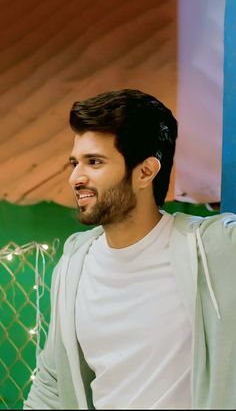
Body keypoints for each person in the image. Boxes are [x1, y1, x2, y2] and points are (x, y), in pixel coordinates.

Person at [24, 89, 236, 410]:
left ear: (146, 172)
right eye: (74, 163)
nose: (75, 178)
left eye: (94, 162)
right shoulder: (74, 264)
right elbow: (52, 385)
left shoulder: (213, 248)